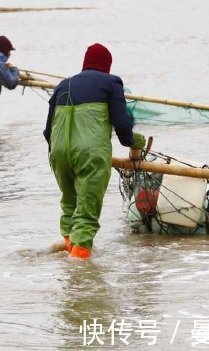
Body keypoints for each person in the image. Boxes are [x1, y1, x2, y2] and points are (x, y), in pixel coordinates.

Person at [43, 43, 145, 259]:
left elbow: (47, 130)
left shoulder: (62, 85)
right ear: (106, 65)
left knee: (70, 203)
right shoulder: (111, 82)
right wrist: (132, 141)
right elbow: (122, 124)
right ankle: (80, 270)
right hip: (89, 154)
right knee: (87, 208)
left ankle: (70, 252)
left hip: (58, 153)